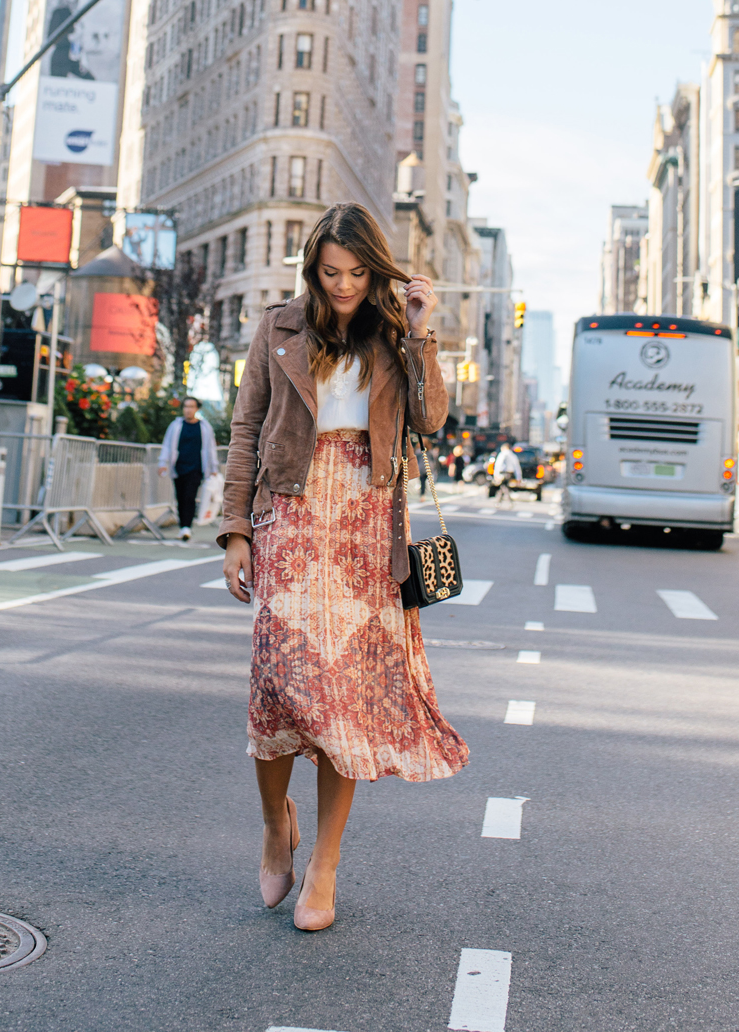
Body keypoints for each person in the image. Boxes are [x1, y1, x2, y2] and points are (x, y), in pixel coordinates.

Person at [220, 202, 468, 933]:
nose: (344, 286)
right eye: (331, 273)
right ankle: (275, 825)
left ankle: (323, 864)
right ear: (311, 268)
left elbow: (430, 421)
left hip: (366, 526)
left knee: (343, 707)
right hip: (290, 518)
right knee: (278, 688)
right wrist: (236, 530)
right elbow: (245, 427)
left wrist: (422, 330)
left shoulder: (394, 333)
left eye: (358, 273)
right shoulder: (280, 326)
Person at [159, 396, 219, 540]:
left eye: (191, 406)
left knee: (189, 496)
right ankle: (182, 526)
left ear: (197, 409)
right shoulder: (176, 425)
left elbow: (211, 448)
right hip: (179, 466)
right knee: (180, 497)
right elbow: (167, 445)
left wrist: (214, 467)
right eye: (186, 406)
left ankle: (187, 527)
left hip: (196, 467)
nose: (188, 410)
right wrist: (162, 463)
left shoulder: (204, 427)